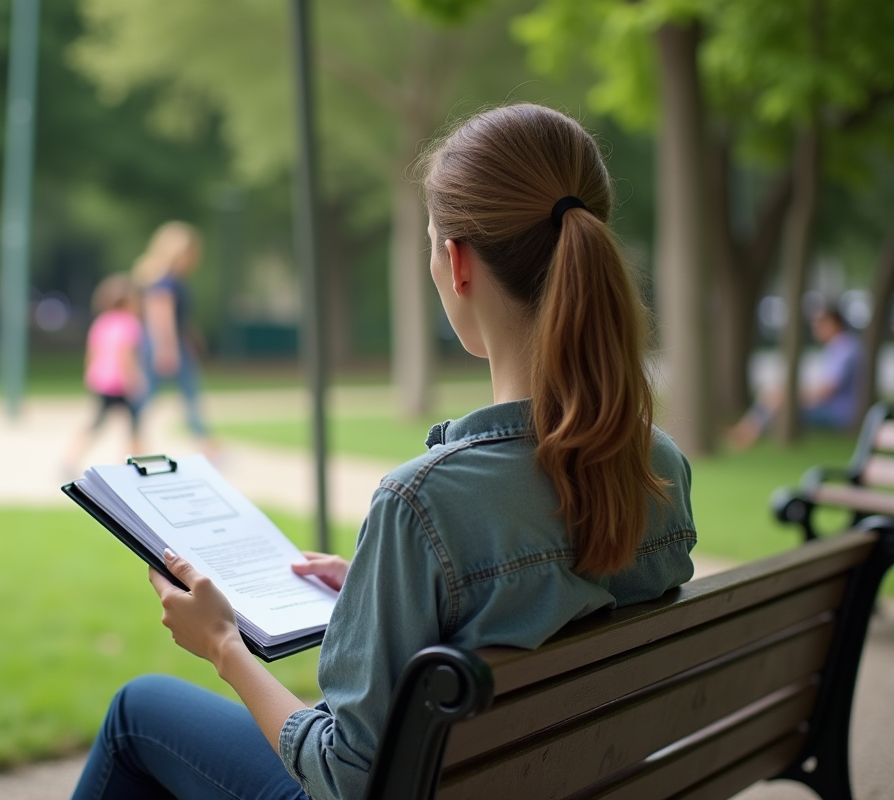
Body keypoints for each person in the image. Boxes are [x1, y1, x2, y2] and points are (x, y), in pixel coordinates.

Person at [70, 104, 697, 800]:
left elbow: (344, 777)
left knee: (139, 713)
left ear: (456, 263)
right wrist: (377, 598)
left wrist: (224, 646)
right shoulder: (658, 465)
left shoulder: (422, 506)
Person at [727, 307, 862, 450]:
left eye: (820, 324)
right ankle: (745, 432)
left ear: (834, 323)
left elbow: (828, 390)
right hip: (832, 408)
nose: (815, 329)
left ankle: (747, 436)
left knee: (776, 402)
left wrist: (792, 396)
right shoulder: (839, 347)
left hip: (837, 414)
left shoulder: (845, 349)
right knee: (773, 396)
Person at [132, 221, 215, 452]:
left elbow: (179, 319)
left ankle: (206, 444)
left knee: (183, 396)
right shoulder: (165, 283)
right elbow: (161, 318)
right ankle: (135, 444)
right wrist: (166, 349)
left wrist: (191, 335)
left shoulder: (174, 281)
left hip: (173, 345)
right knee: (154, 397)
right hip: (164, 346)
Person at [62, 274, 146, 474]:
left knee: (96, 423)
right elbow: (126, 355)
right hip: (121, 383)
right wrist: (135, 378)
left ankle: (69, 459)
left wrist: (88, 374)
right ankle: (133, 464)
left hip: (102, 381)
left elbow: (92, 352)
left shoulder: (102, 322)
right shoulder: (130, 323)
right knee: (134, 425)